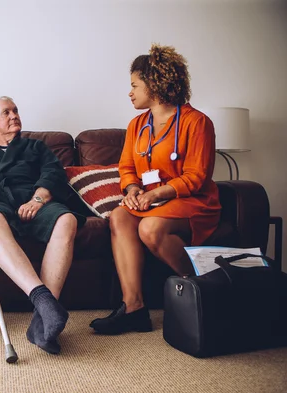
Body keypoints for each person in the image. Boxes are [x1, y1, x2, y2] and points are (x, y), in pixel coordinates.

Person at [90, 44, 221, 335]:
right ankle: (134, 308)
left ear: (155, 84)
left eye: (135, 85)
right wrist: (134, 189)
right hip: (151, 201)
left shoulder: (196, 122)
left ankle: (210, 288)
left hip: (190, 201)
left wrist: (156, 194)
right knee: (120, 217)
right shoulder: (137, 125)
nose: (130, 92)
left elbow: (197, 176)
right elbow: (127, 168)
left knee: (149, 229)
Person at [0, 96, 85, 354]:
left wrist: (37, 200)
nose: (13, 115)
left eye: (16, 110)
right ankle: (45, 302)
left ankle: (42, 322)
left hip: (35, 199)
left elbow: (53, 173)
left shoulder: (35, 147)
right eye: (5, 112)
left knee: (67, 220)